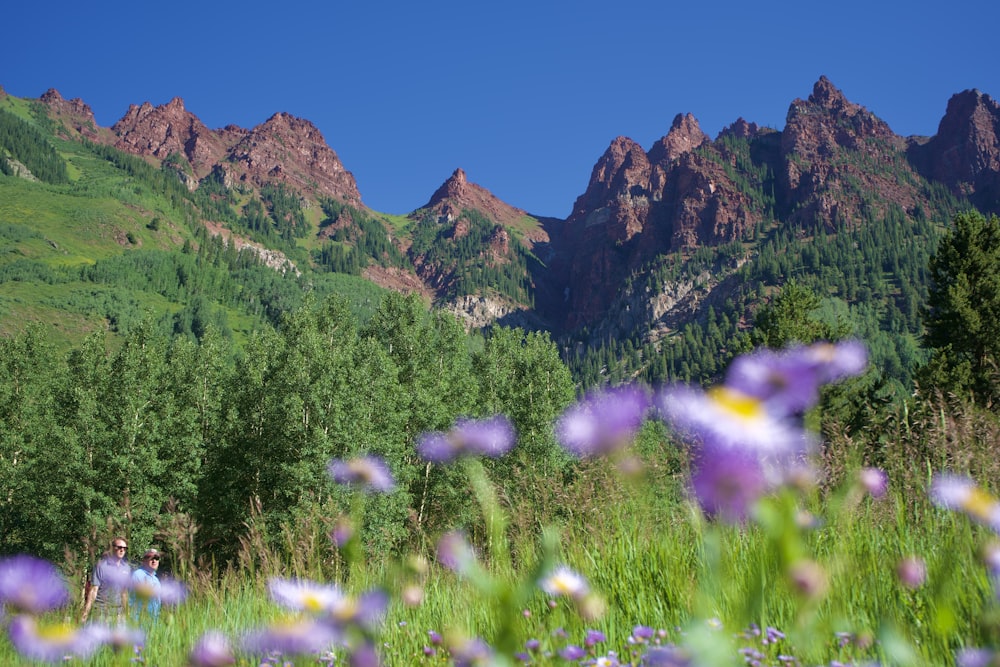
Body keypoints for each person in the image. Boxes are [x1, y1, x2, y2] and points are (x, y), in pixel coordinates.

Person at [81, 537, 132, 622]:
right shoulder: (101, 566)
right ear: (112, 548)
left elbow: (124, 592)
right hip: (101, 612)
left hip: (118, 614)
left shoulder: (126, 568)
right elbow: (93, 590)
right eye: (119, 547)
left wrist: (127, 612)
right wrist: (85, 613)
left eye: (124, 548)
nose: (122, 550)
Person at [130, 548, 162, 623]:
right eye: (150, 558)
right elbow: (131, 599)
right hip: (139, 620)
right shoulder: (137, 575)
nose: (154, 561)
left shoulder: (156, 580)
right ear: (144, 561)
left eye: (156, 558)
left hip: (154, 622)